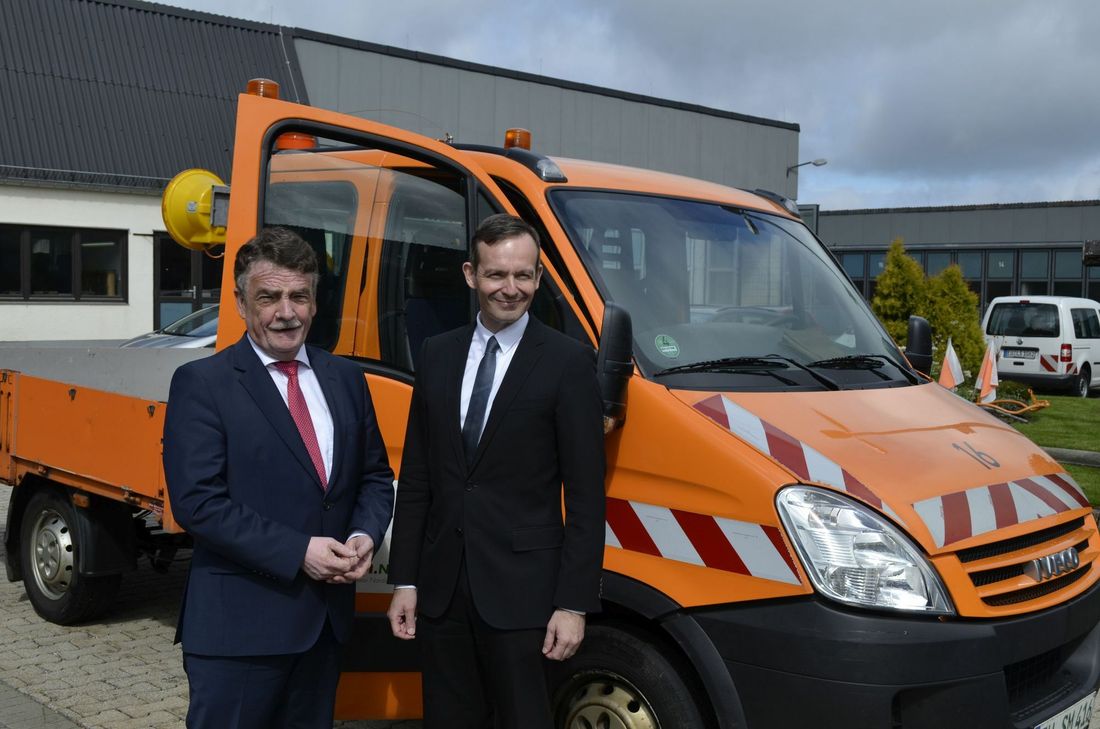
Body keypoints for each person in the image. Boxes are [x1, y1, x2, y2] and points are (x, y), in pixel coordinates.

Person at [163, 227, 394, 729]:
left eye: (299, 296)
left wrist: (364, 533)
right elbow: (198, 503)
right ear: (240, 302)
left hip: (324, 629)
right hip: (238, 634)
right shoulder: (203, 384)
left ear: (315, 301)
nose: (286, 312)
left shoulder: (346, 379)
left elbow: (376, 476)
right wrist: (299, 551)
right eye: (269, 297)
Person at [386, 214, 606, 728]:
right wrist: (406, 581)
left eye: (523, 275)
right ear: (471, 275)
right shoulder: (437, 354)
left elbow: (586, 496)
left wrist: (573, 604)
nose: (511, 288)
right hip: (442, 594)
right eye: (496, 275)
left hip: (526, 597)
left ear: (538, 277)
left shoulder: (569, 362)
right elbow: (417, 478)